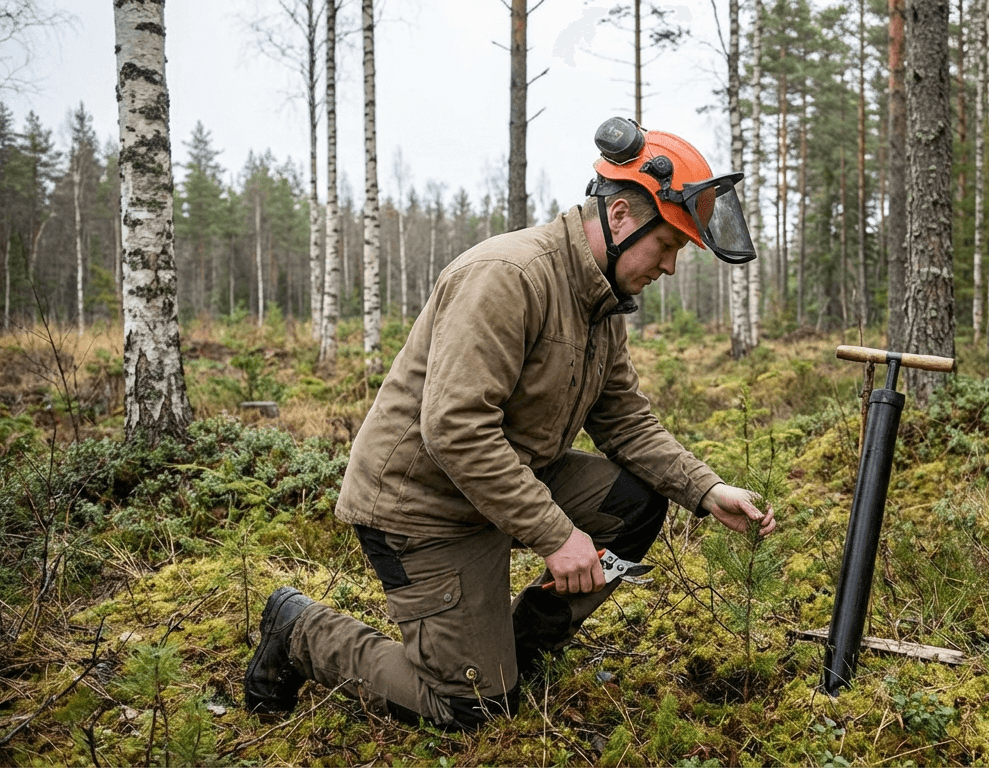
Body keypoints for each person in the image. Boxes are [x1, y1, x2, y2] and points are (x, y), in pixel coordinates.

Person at [243, 118, 776, 732]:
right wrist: (556, 535)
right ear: (624, 216)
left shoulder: (601, 302)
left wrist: (707, 490)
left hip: (501, 488)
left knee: (635, 505)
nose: (672, 267)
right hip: (422, 508)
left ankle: (517, 654)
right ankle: (300, 630)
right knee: (469, 709)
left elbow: (625, 419)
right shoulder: (508, 275)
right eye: (670, 246)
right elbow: (455, 428)